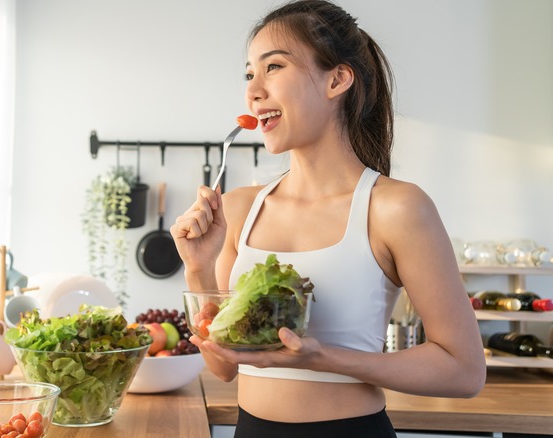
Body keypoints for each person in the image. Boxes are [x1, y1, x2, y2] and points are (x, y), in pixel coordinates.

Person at [170, 1, 486, 437]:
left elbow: (464, 371)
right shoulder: (240, 208)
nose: (253, 91)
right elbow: (223, 365)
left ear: (336, 79)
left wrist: (322, 357)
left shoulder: (395, 208)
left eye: (273, 67)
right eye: (249, 74)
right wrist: (198, 267)